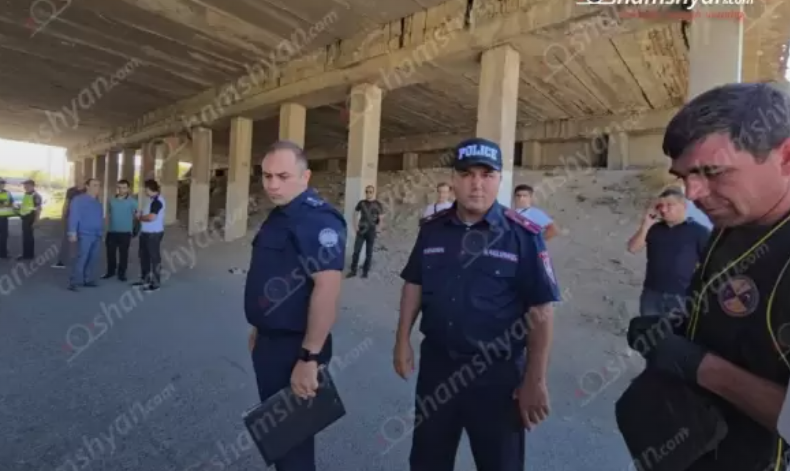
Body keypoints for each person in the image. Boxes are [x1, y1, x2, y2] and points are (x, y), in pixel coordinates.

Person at [627, 82, 790, 470]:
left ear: (785, 157)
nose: (693, 192)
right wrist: (681, 329)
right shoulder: (729, 224)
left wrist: (700, 366)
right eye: (683, 176)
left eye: (712, 171)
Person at [395, 137, 560, 471]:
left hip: (497, 376)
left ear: (499, 180)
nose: (477, 184)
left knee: (500, 463)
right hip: (438, 368)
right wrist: (402, 340)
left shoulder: (522, 235)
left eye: (487, 175)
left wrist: (535, 379)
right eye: (467, 174)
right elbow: (414, 283)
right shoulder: (433, 230)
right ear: (453, 180)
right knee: (427, 460)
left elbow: (541, 310)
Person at [244, 140, 346, 471]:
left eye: (283, 176)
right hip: (271, 342)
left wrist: (309, 357)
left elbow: (327, 288)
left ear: (305, 177)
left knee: (292, 448)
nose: (272, 184)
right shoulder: (280, 215)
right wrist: (259, 327)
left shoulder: (317, 219)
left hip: (295, 349)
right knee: (282, 441)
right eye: (267, 176)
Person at [626, 187, 710, 316]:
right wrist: (646, 224)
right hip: (652, 293)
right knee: (648, 327)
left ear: (684, 206)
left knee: (677, 329)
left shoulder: (699, 231)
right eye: (661, 205)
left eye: (669, 205)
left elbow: (709, 263)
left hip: (682, 296)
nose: (663, 209)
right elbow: (633, 248)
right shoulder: (654, 229)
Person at [67, 179, 104, 291]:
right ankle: (74, 281)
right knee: (82, 257)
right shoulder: (78, 200)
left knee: (93, 258)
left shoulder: (97, 202)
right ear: (87, 186)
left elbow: (99, 218)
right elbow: (74, 216)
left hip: (96, 234)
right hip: (84, 234)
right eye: (94, 185)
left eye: (98, 185)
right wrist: (72, 232)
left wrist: (101, 232)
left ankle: (88, 279)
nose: (97, 188)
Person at [133, 179, 165, 292]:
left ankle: (156, 283)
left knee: (154, 258)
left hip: (153, 234)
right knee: (144, 257)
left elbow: (152, 217)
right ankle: (145, 280)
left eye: (145, 189)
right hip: (146, 233)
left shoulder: (157, 201)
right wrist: (141, 213)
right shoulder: (151, 200)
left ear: (149, 189)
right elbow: (148, 213)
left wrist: (140, 218)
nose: (144, 191)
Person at [347, 184, 384, 278]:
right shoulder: (361, 203)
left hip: (371, 231)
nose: (368, 193)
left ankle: (365, 272)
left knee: (369, 253)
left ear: (373, 192)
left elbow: (381, 219)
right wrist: (355, 226)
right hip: (361, 230)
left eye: (370, 192)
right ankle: (353, 270)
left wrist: (378, 230)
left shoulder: (378, 204)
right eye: (367, 191)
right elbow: (355, 214)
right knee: (356, 251)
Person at [103, 179, 137, 281]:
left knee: (123, 254)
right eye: (120, 187)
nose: (122, 190)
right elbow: (108, 215)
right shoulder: (111, 200)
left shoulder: (133, 202)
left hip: (125, 233)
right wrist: (105, 229)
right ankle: (110, 271)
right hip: (112, 232)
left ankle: (122, 273)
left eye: (124, 188)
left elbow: (137, 217)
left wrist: (134, 230)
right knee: (110, 253)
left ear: (128, 189)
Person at [52, 180, 86, 268]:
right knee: (67, 239)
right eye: (77, 180)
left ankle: (82, 260)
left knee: (83, 240)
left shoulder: (88, 191)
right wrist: (63, 216)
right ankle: (62, 261)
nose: (78, 181)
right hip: (71, 218)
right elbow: (66, 203)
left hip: (83, 219)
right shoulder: (71, 191)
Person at [16, 179, 42, 260]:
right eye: (24, 185)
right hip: (25, 218)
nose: (25, 187)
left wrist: (36, 221)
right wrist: (20, 207)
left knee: (28, 237)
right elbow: (27, 206)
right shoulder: (27, 194)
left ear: (32, 186)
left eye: (27, 185)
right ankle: (27, 254)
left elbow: (38, 209)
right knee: (26, 237)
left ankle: (28, 255)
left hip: (31, 218)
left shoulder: (35, 196)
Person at [0, 178, 14, 259]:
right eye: (1, 183)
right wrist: (3, 204)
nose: (2, 185)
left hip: (4, 217)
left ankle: (3, 252)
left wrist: (10, 205)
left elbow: (11, 202)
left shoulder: (8, 192)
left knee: (4, 235)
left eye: (3, 183)